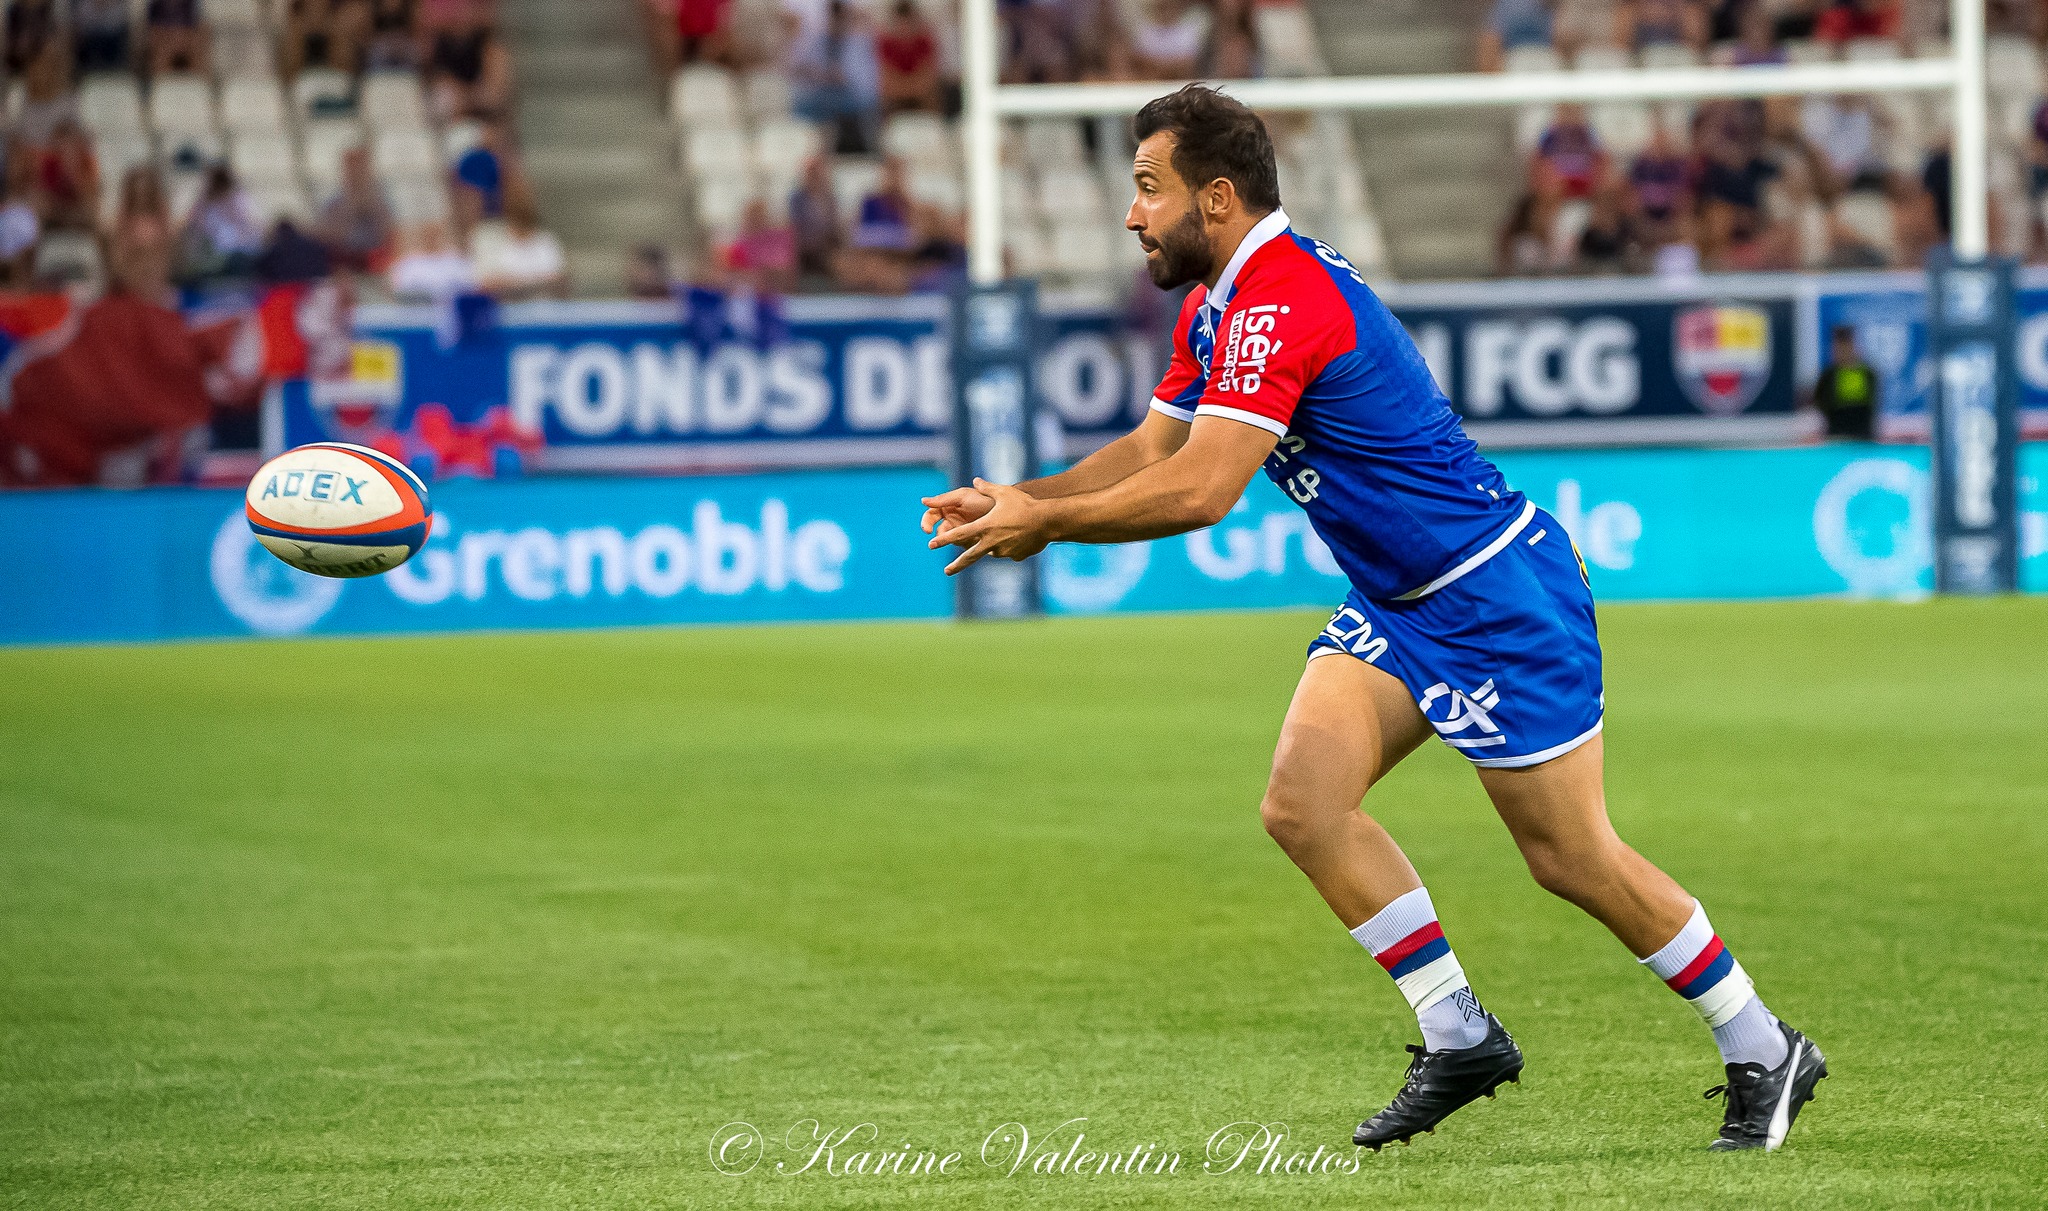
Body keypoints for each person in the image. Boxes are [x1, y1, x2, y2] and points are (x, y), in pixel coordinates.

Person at [923, 84, 1828, 1154]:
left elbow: (1202, 490)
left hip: (1493, 597)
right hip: (1400, 602)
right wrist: (1023, 499)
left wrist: (1047, 524)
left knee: (1569, 856)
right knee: (1303, 805)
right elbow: (1151, 449)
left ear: (1215, 198)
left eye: (1148, 189)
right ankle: (1459, 1033)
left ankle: (1763, 1044)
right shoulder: (1220, 303)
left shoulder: (1279, 302)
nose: (1132, 214)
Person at [469, 181, 565, 299]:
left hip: (542, 304)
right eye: (513, 198)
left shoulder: (545, 241)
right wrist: (528, 281)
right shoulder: (489, 238)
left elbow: (558, 279)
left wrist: (516, 282)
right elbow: (484, 282)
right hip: (505, 305)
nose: (519, 203)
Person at [318, 146, 397, 272]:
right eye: (351, 167)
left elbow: (388, 234)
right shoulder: (335, 204)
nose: (356, 173)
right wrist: (351, 206)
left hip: (377, 264)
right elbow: (330, 237)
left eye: (360, 167)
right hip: (345, 266)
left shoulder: (381, 200)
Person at [1813, 323, 1878, 438]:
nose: (1842, 351)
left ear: (1853, 346)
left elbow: (1872, 404)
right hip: (1837, 435)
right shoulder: (1829, 374)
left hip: (1862, 436)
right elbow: (1819, 401)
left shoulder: (1867, 373)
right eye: (1838, 346)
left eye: (1846, 345)